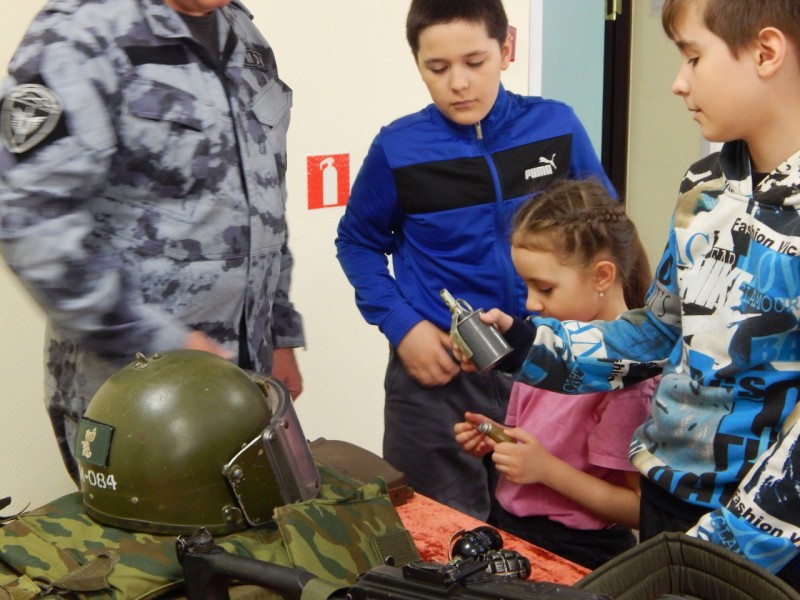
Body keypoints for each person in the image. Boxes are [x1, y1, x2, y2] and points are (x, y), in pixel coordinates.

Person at [460, 0, 800, 586]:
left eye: (693, 57)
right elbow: (656, 334)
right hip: (669, 500)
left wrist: (717, 552)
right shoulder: (705, 187)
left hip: (760, 538)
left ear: (766, 52)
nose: (678, 82)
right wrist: (523, 344)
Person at [0, 0, 304, 484]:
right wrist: (160, 344)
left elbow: (262, 199)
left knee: (257, 530)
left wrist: (278, 333)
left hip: (244, 381)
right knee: (151, 536)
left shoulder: (243, 36)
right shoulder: (82, 32)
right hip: (136, 390)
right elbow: (31, 222)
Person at [334, 0, 614, 521]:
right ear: (417, 63)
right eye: (437, 68)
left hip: (545, 364)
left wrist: (603, 330)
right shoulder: (398, 148)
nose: (458, 83)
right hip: (436, 379)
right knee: (438, 534)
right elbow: (357, 242)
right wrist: (402, 326)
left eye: (475, 62)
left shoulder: (557, 127)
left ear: (507, 48)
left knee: (547, 531)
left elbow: (607, 231)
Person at [453, 179, 655, 569]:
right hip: (511, 529)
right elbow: (543, 437)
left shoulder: (630, 381)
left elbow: (637, 509)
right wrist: (498, 438)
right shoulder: (544, 352)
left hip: (579, 552)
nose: (531, 303)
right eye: (526, 286)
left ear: (601, 276)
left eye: (544, 288)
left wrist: (545, 470)